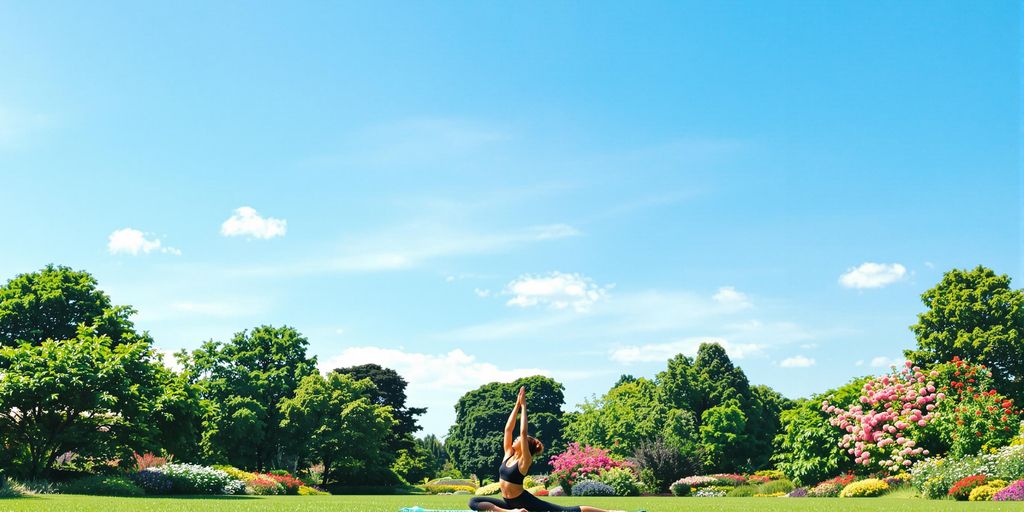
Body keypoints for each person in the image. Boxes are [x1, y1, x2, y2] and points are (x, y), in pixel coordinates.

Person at [468, 386, 625, 512]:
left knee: (566, 511)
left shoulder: (525, 460)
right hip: (508, 503)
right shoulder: (509, 454)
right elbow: (508, 430)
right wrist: (516, 405)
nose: (515, 439)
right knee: (473, 501)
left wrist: (524, 407)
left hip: (525, 501)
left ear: (525, 446)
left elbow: (522, 433)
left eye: (519, 440)